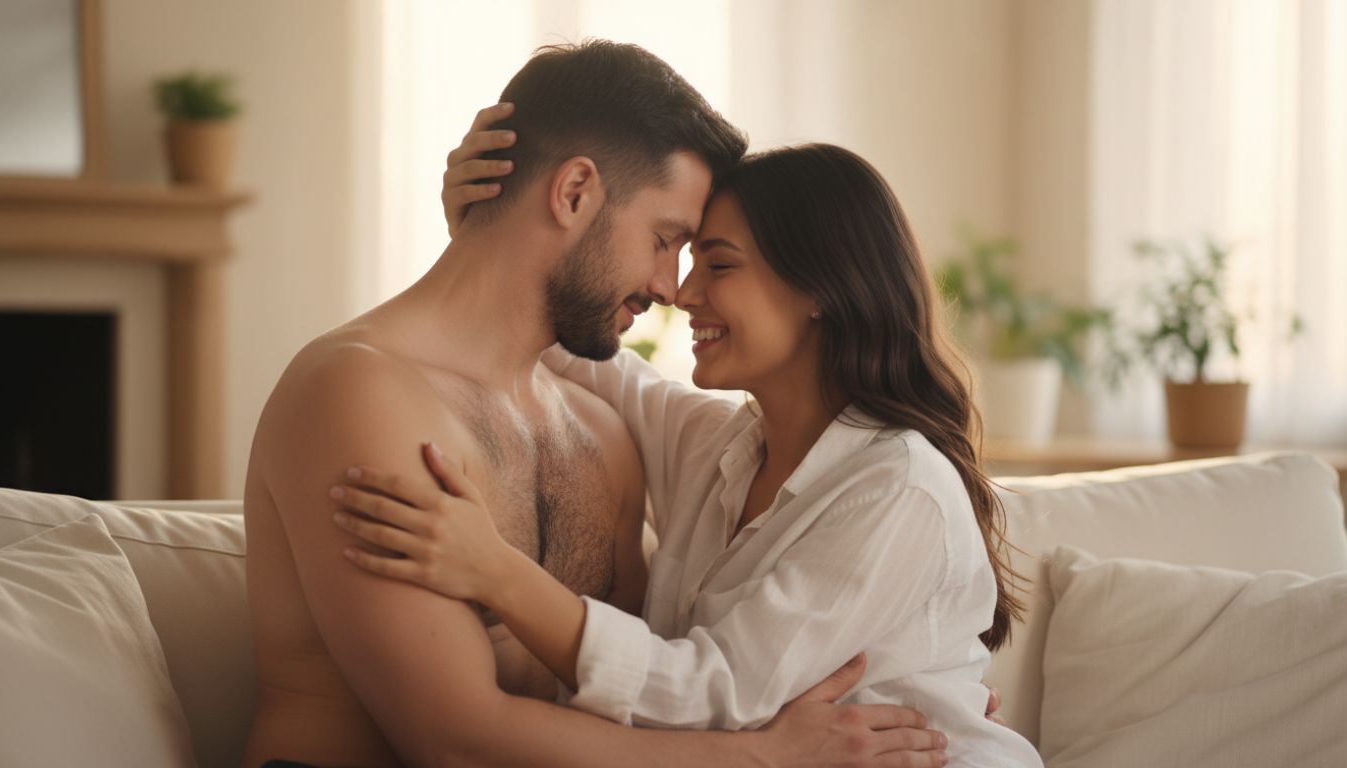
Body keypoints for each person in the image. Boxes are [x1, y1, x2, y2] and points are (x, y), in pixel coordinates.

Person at [242, 40, 952, 768]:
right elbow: (454, 743)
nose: (673, 288)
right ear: (575, 191)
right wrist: (766, 759)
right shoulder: (359, 394)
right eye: (666, 240)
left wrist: (914, 688)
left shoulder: (604, 433)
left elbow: (656, 691)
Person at [328, 130, 1043, 766]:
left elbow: (713, 692)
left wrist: (495, 571)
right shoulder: (720, 447)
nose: (683, 292)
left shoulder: (898, 488)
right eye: (685, 257)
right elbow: (576, 342)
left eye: (719, 266)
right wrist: (498, 237)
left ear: (820, 289)